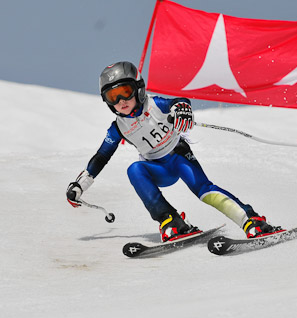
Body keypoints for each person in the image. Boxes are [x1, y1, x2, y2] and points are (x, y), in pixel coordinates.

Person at [66, 61, 280, 242]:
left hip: (178, 157)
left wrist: (182, 109)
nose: (121, 101)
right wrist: (80, 185)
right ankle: (171, 220)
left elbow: (178, 102)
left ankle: (252, 221)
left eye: (125, 92)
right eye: (113, 96)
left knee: (203, 190)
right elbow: (102, 156)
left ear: (138, 88)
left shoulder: (155, 104)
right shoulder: (118, 127)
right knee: (134, 169)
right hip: (157, 169)